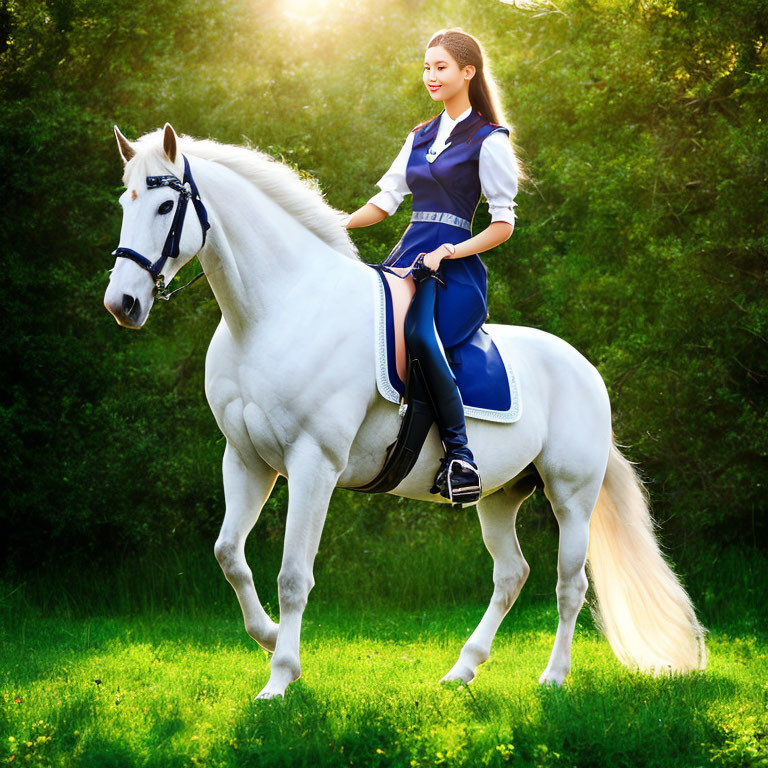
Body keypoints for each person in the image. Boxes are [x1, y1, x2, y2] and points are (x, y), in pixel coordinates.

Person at [345, 28, 522, 504]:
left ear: (468, 72)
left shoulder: (489, 140)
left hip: (454, 272)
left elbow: (502, 224)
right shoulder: (419, 135)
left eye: (440, 67)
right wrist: (334, 225)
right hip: (407, 259)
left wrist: (449, 252)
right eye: (426, 66)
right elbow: (384, 203)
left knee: (422, 335)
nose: (430, 75)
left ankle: (460, 457)